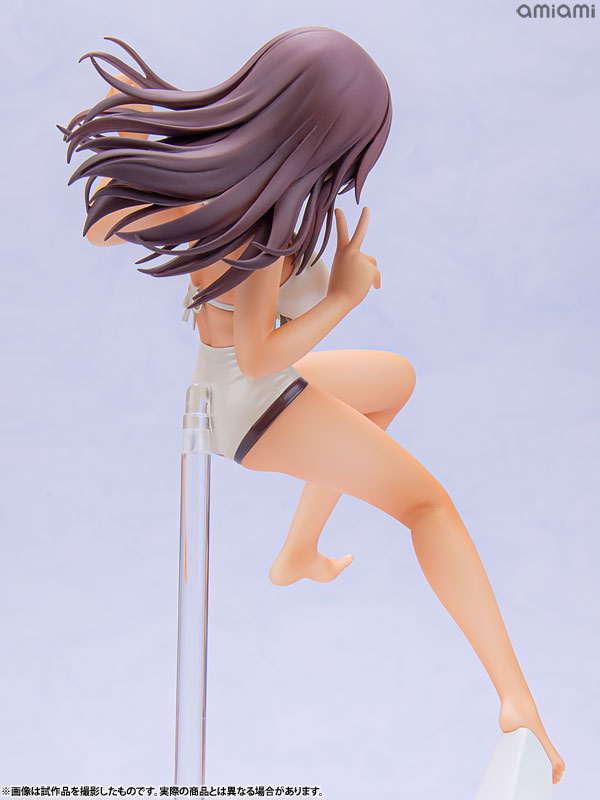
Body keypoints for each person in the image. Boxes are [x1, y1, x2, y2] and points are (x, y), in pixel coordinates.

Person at [58, 26, 565, 784]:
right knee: (428, 505)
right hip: (246, 405)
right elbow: (260, 355)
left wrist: (143, 136)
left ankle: (297, 551)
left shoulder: (241, 198)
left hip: (235, 384)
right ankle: (516, 699)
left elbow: (107, 228)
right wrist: (343, 296)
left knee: (393, 380)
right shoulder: (261, 229)